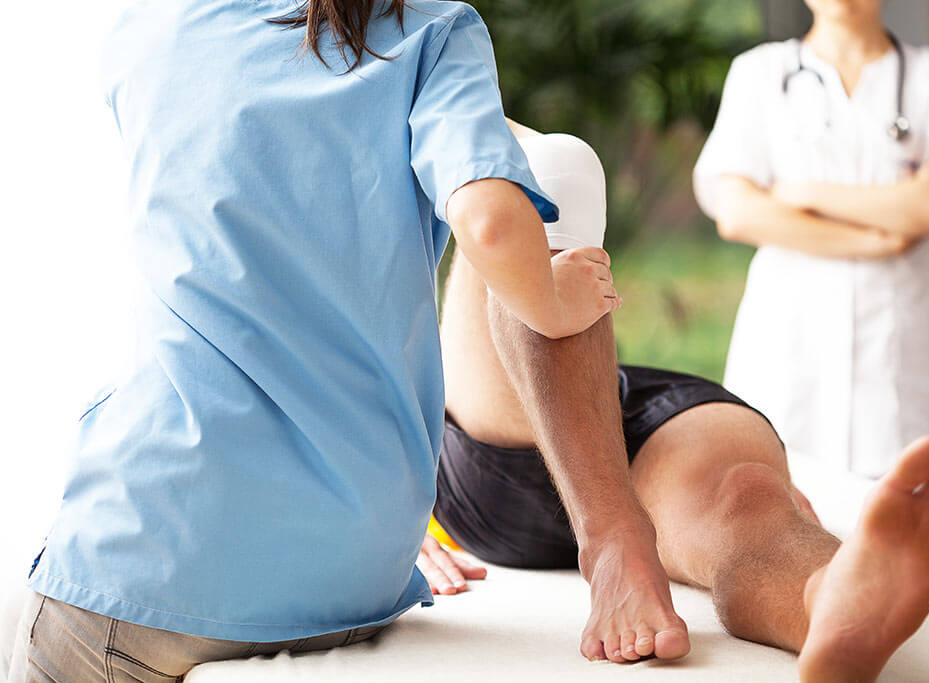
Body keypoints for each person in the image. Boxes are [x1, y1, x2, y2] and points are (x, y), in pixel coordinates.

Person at [8, 1, 622, 680]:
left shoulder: (155, 26)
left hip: (155, 559)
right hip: (355, 570)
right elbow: (492, 223)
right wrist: (553, 301)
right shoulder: (431, 32)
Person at [417, 121, 929, 682]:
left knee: (748, 497)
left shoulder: (439, 74)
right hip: (501, 435)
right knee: (546, 169)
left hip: (640, 405)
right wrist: (382, 513)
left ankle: (830, 604)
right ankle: (612, 542)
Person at [692, 0, 929, 477]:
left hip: (901, 367)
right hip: (788, 355)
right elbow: (738, 213)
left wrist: (801, 193)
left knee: (905, 510)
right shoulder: (760, 73)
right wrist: (881, 239)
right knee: (782, 506)